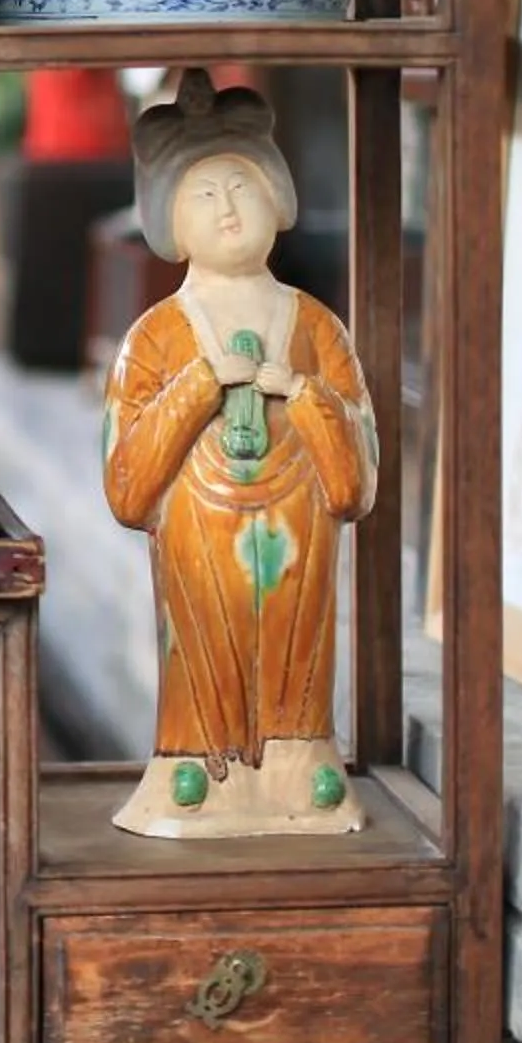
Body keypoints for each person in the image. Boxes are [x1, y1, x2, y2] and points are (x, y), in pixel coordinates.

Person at [102, 71, 379, 837]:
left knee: (297, 659)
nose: (226, 208)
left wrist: (303, 393)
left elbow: (358, 476)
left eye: (241, 186)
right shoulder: (154, 337)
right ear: (168, 222)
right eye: (202, 195)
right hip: (198, 539)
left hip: (299, 539)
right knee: (204, 658)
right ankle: (195, 772)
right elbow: (126, 487)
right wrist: (197, 388)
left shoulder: (317, 325)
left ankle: (302, 770)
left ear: (278, 199)